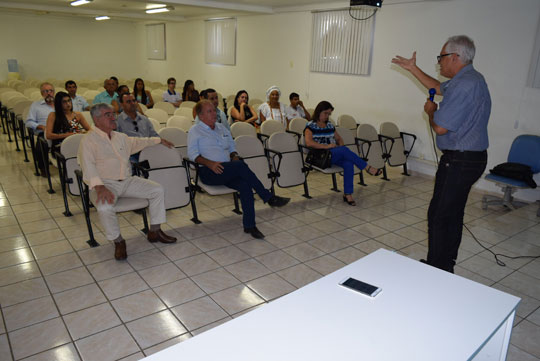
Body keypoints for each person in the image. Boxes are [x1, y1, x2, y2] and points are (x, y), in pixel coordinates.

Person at [391, 35, 490, 273]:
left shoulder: (465, 84)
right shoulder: (468, 79)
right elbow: (436, 86)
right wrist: (413, 68)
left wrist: (431, 111)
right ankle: (445, 264)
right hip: (469, 158)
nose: (439, 62)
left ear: (455, 57)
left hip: (460, 159)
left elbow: (441, 127)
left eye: (441, 57)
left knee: (439, 214)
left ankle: (437, 269)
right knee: (452, 213)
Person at [78, 103, 176, 261]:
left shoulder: (120, 137)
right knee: (104, 207)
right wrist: (100, 187)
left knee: (157, 190)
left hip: (127, 180)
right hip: (105, 183)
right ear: (96, 119)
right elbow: (87, 166)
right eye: (107, 115)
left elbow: (139, 142)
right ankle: (118, 241)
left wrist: (158, 140)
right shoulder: (88, 140)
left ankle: (155, 231)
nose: (113, 117)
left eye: (113, 114)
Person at [188, 100, 290, 239]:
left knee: (245, 185)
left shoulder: (221, 128)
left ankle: (250, 226)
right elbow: (193, 155)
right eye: (209, 111)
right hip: (208, 171)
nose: (214, 113)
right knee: (241, 166)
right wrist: (210, 163)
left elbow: (232, 147)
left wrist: (234, 155)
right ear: (201, 115)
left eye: (214, 110)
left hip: (227, 169)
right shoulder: (195, 130)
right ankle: (267, 197)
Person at [304, 101, 381, 206]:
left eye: (329, 114)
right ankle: (367, 168)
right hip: (319, 156)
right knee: (344, 151)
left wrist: (339, 145)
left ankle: (348, 194)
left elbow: (339, 139)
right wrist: (327, 146)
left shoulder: (330, 125)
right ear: (319, 112)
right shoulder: (310, 125)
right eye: (325, 113)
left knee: (348, 164)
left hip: (332, 155)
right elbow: (309, 143)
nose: (327, 116)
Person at [26, 82, 55, 176]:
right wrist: (41, 127)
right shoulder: (36, 105)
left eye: (51, 91)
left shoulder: (60, 104)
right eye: (46, 91)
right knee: (41, 143)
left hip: (59, 131)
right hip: (44, 132)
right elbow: (29, 122)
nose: (49, 93)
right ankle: (43, 168)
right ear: (42, 93)